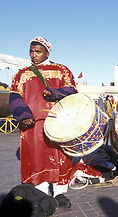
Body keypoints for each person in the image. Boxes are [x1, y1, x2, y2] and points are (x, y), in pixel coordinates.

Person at [9, 37, 78, 208]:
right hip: (33, 124)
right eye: (31, 51)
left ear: (48, 52)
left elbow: (72, 90)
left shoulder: (62, 70)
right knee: (37, 156)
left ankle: (60, 193)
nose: (33, 55)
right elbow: (15, 96)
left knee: (60, 154)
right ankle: (41, 193)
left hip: (59, 122)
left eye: (38, 52)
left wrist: (55, 93)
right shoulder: (22, 74)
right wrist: (24, 115)